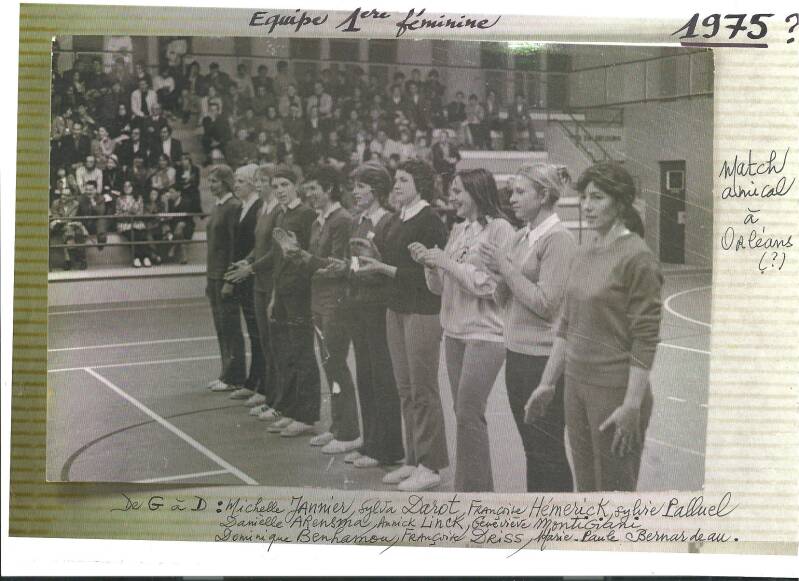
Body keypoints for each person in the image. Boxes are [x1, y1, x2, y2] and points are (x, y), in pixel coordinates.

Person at [528, 162, 662, 492]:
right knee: (587, 489)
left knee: (615, 492)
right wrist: (547, 384)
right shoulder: (584, 250)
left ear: (620, 202)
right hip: (575, 386)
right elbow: (567, 325)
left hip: (615, 390)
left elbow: (645, 339)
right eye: (585, 198)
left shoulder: (637, 257)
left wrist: (631, 404)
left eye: (598, 198)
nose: (587, 206)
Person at [412, 169, 514, 492]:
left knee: (469, 411)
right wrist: (431, 266)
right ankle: (473, 487)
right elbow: (440, 289)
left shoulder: (500, 230)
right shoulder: (457, 230)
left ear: (476, 191)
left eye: (457, 191)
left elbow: (490, 286)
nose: (452, 197)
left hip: (485, 334)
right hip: (455, 333)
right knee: (463, 412)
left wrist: (445, 262)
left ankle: (474, 492)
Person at [479, 162, 576, 492]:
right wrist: (496, 271)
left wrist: (506, 269)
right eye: (512, 191)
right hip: (518, 354)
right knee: (532, 449)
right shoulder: (523, 236)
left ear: (544, 195)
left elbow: (547, 305)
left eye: (521, 192)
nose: (512, 198)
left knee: (546, 450)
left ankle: (559, 525)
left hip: (543, 359)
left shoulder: (558, 240)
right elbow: (503, 298)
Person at [355, 160, 449, 492]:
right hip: (395, 308)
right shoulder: (398, 218)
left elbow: (430, 276)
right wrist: (374, 258)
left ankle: (431, 464)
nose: (396, 185)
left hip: (422, 310)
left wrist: (383, 268)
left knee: (423, 389)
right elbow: (392, 261)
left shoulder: (431, 221)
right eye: (395, 180)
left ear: (420, 184)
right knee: (405, 389)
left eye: (403, 180)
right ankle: (412, 458)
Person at [343, 162, 404, 468]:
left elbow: (389, 268)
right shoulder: (358, 221)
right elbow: (354, 264)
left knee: (383, 378)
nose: (356, 192)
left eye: (362, 187)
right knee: (365, 375)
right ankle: (370, 443)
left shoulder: (390, 222)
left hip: (380, 309)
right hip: (359, 306)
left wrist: (366, 272)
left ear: (377, 190)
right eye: (354, 187)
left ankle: (389, 448)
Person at [298, 166, 360, 454]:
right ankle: (337, 426)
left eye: (313, 189)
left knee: (335, 362)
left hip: (336, 301)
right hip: (318, 299)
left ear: (330, 190)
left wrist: (302, 257)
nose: (308, 195)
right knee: (328, 363)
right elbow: (317, 263)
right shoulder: (317, 222)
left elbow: (336, 265)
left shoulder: (342, 220)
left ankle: (348, 431)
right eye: (307, 189)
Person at [265, 168, 320, 438]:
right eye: (275, 185)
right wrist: (275, 295)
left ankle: (307, 415)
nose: (280, 190)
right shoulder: (281, 214)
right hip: (283, 293)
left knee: (303, 354)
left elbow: (312, 257)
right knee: (287, 354)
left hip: (301, 294)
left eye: (285, 184)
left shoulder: (308, 215)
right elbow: (278, 260)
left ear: (296, 186)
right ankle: (290, 409)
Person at [225, 165, 281, 419]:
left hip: (269, 281)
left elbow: (273, 250)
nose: (259, 184)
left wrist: (251, 267)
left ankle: (276, 397)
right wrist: (247, 261)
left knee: (272, 342)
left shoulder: (276, 210)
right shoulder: (263, 209)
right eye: (257, 180)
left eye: (264, 180)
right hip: (258, 279)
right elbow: (258, 247)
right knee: (265, 342)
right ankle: (268, 392)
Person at [225, 165, 266, 404]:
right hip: (242, 275)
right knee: (253, 332)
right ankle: (253, 381)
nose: (236, 185)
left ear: (252, 183)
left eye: (240, 181)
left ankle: (260, 384)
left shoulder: (259, 207)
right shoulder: (243, 207)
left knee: (259, 334)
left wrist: (247, 266)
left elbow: (257, 245)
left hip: (253, 276)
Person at [204, 165, 246, 393]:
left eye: (216, 181)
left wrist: (229, 280)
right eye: (210, 181)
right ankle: (226, 373)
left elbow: (233, 246)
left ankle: (235, 376)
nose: (211, 185)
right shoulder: (218, 206)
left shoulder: (233, 207)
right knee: (221, 327)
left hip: (224, 276)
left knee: (230, 327)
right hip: (213, 276)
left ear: (227, 182)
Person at [115, 180, 149, 268]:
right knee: (132, 234)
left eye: (129, 186)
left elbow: (140, 212)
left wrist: (129, 213)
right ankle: (137, 257)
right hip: (124, 224)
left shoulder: (139, 198)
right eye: (125, 186)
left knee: (140, 235)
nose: (127, 188)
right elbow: (118, 214)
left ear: (133, 187)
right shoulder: (119, 199)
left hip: (137, 223)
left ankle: (145, 257)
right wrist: (130, 213)